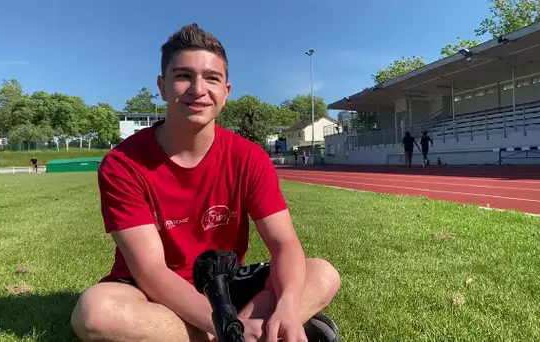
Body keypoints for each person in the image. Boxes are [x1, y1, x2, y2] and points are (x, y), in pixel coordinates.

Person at [70, 23, 341, 342]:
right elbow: (151, 272)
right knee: (96, 313)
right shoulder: (123, 163)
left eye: (212, 78)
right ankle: (255, 332)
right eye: (183, 76)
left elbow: (284, 244)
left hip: (221, 286)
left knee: (322, 274)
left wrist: (286, 304)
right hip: (154, 294)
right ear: (163, 86)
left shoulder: (248, 157)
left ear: (226, 92)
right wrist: (228, 328)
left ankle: (264, 325)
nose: (198, 89)